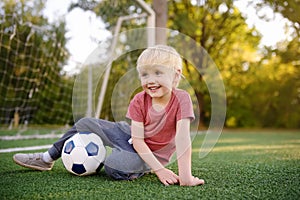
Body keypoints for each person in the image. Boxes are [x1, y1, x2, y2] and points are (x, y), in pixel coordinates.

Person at [13, 45, 205, 186]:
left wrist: (181, 176)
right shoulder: (139, 99)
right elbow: (137, 139)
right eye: (145, 75)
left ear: (176, 75)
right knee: (85, 123)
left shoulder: (182, 99)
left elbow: (182, 139)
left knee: (114, 168)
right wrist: (159, 170)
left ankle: (134, 166)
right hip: (130, 137)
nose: (150, 81)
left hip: (151, 155)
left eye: (158, 73)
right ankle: (46, 159)